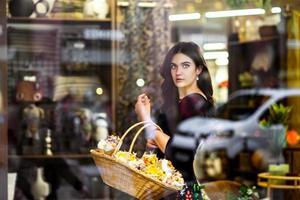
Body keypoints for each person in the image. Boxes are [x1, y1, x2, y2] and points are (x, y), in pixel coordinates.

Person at [135, 41, 215, 198]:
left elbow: (177, 152)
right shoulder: (193, 101)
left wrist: (145, 118)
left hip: (183, 191)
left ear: (198, 69)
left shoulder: (192, 103)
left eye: (186, 65)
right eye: (174, 66)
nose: (178, 72)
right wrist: (157, 139)